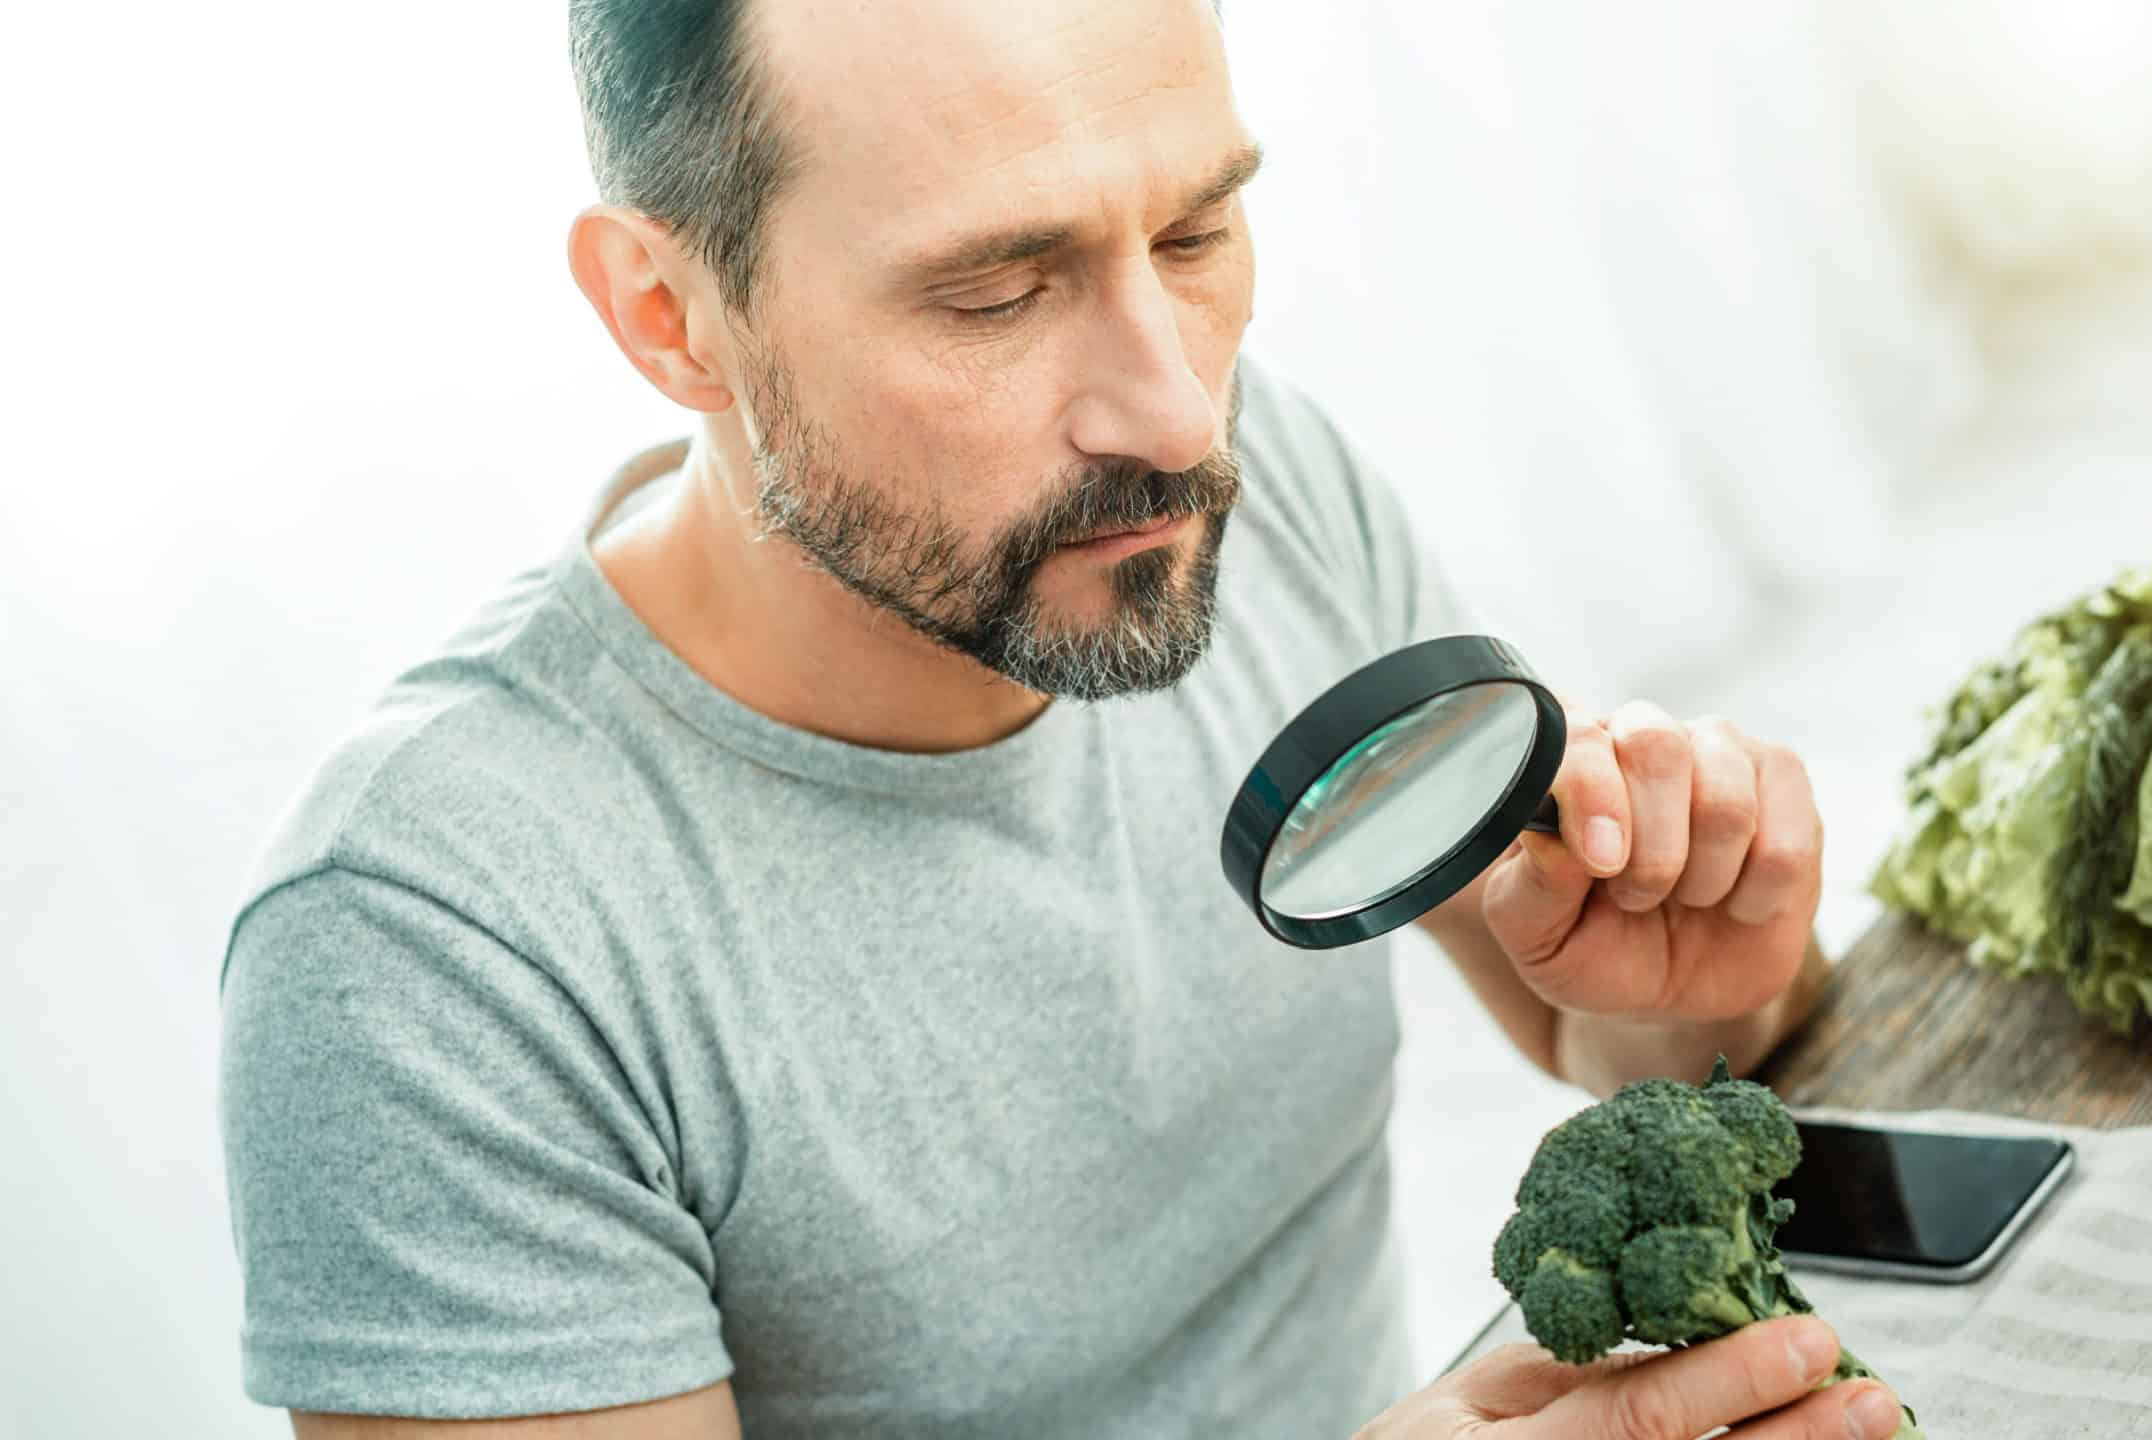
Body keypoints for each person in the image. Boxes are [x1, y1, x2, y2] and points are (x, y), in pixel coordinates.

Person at [217, 1, 1905, 1436]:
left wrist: (1701, 992)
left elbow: (1611, 1040)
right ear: (673, 320)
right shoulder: (424, 955)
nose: (1179, 409)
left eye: (1191, 235)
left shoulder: (1248, 492)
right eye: (996, 294)